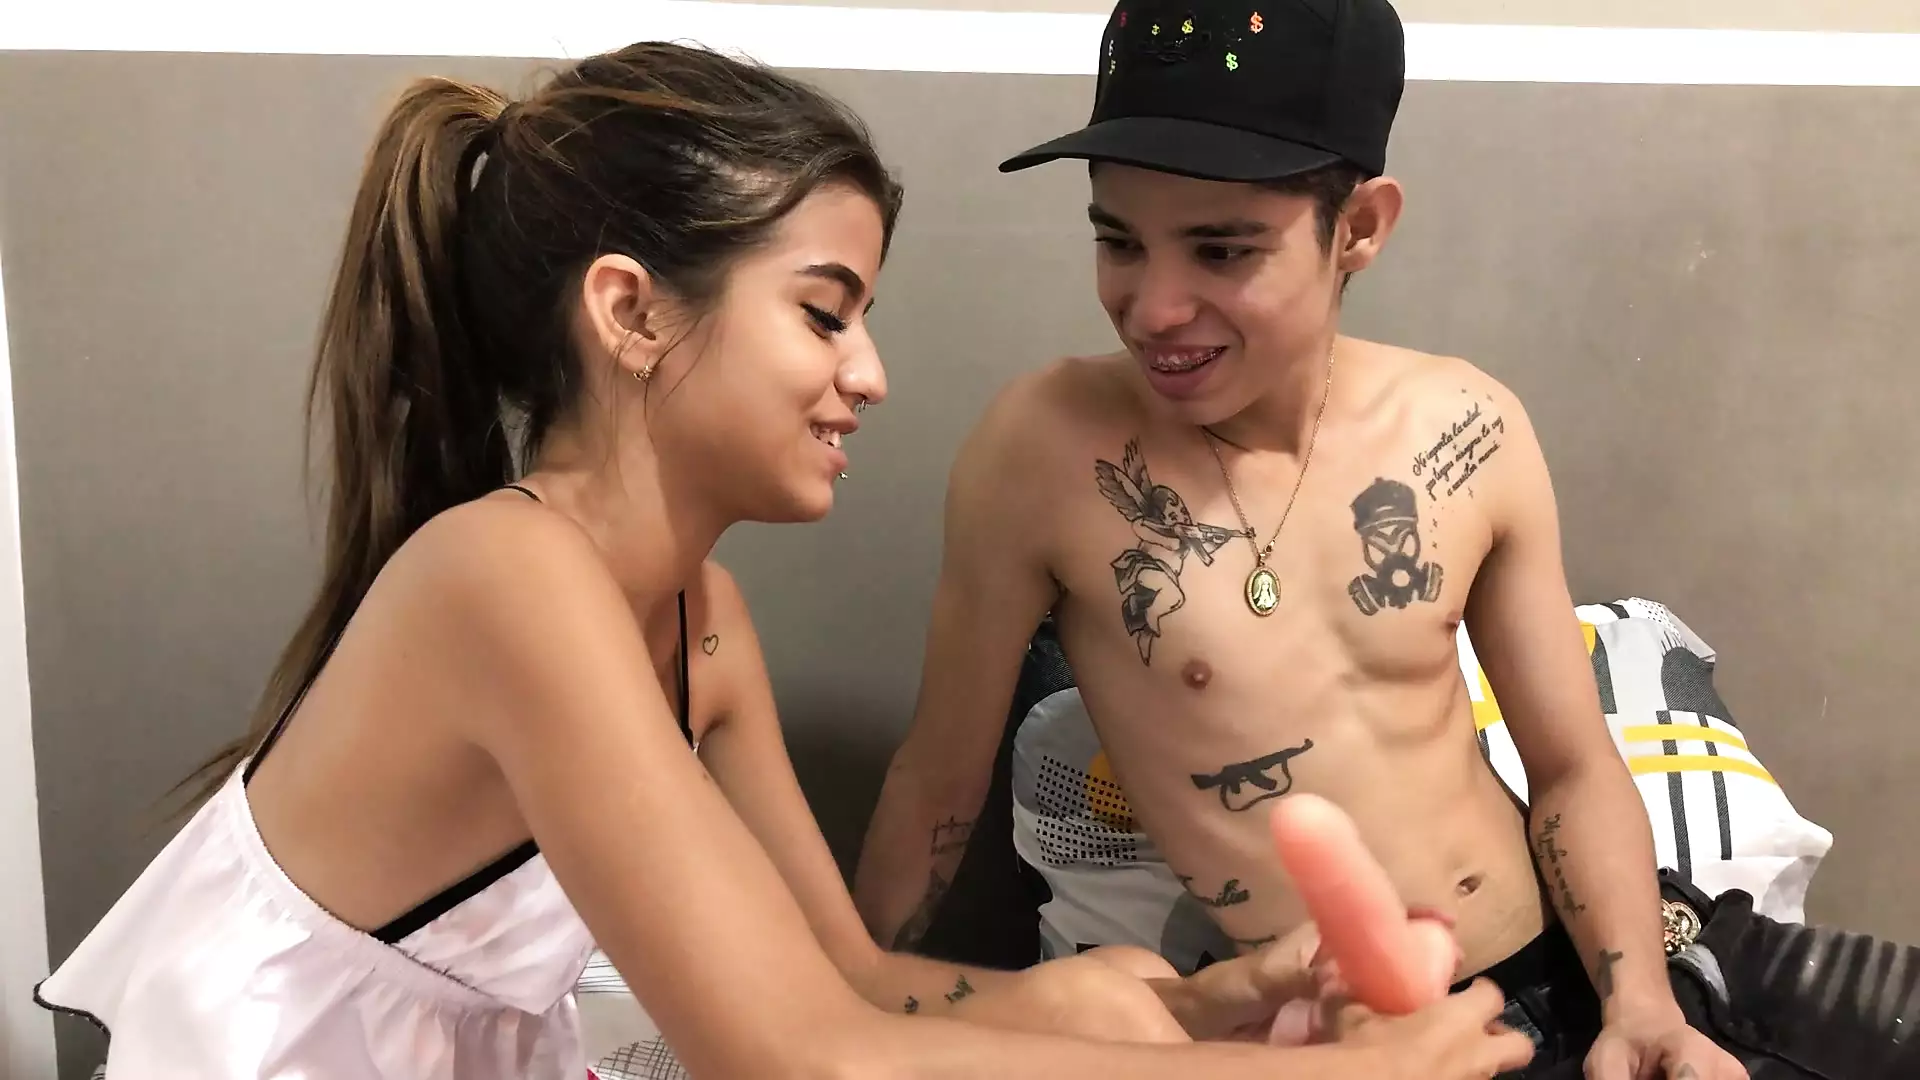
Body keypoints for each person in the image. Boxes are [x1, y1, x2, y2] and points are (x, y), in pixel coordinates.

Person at [29, 40, 1534, 1080]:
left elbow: (852, 986)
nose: (868, 374)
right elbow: (795, 1055)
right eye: (824, 314)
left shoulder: (706, 621)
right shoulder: (504, 579)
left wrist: (1207, 1009)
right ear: (631, 314)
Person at [852, 2, 1920, 1079]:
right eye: (1118, 241)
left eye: (1221, 249)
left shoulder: (1466, 427)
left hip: (1591, 963)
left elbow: (1570, 764)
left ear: (1359, 226)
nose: (1154, 307)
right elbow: (937, 786)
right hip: (1342, 1035)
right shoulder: (1039, 455)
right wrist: (846, 1015)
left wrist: (1638, 998)